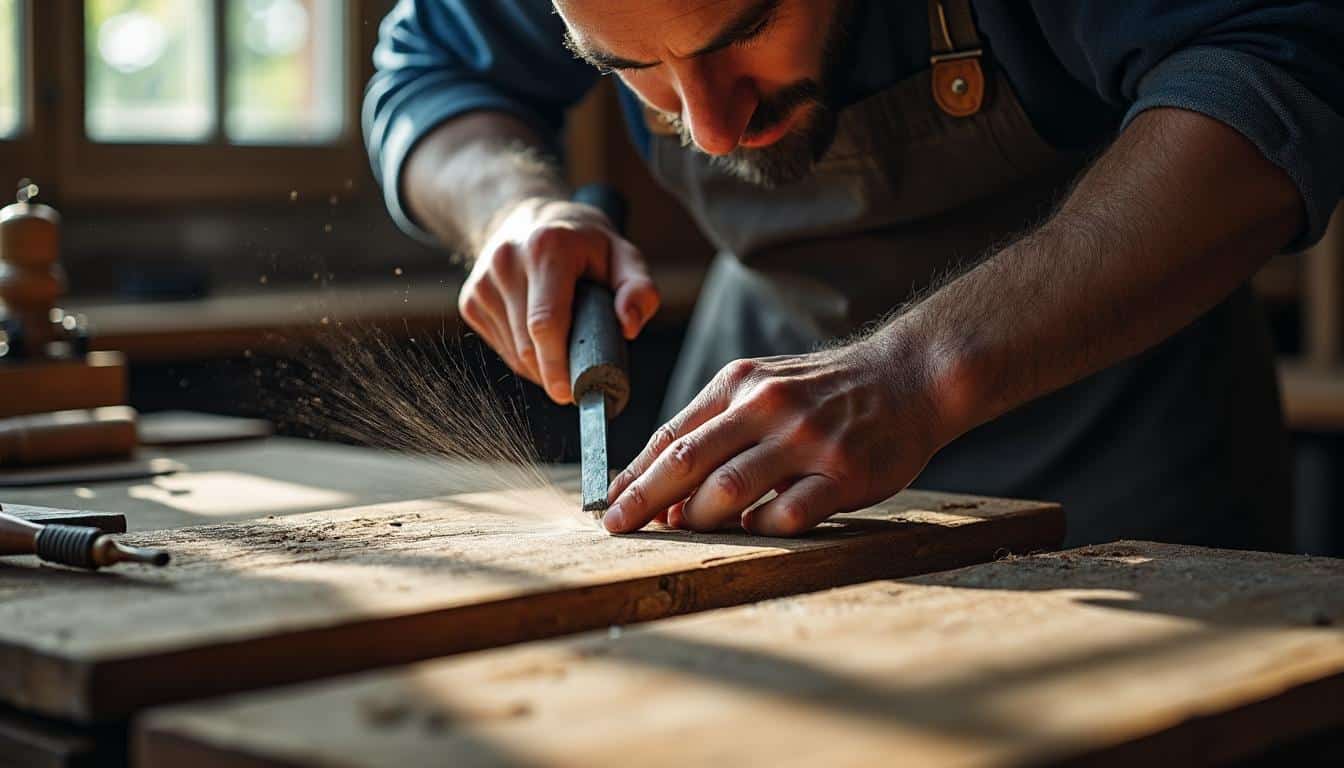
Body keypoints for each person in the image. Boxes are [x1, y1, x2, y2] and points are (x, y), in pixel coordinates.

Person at [365, 0, 1344, 547]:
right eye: (637, 69)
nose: (708, 127)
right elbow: (427, 73)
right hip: (759, 490)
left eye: (741, 32)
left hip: (1126, 471)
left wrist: (921, 373)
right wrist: (512, 206)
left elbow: (1274, 66)